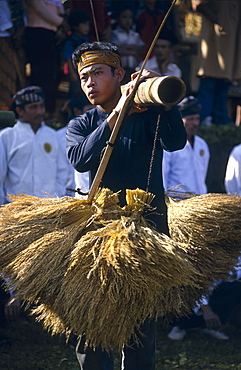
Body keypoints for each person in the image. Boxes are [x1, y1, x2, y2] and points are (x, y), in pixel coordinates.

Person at [66, 41, 187, 370]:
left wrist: (164, 99)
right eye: (83, 77)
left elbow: (176, 142)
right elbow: (79, 159)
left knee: (140, 329)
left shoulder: (149, 114)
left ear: (119, 75)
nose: (90, 83)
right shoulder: (81, 124)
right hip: (100, 235)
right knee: (92, 324)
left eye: (98, 74)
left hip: (146, 235)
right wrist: (116, 114)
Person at [0, 86, 69, 205]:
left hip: (48, 208)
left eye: (41, 106)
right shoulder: (6, 137)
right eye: (33, 107)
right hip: (15, 209)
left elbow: (62, 173)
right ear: (20, 111)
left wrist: (58, 199)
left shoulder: (52, 135)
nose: (40, 111)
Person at [167, 255, 241, 341]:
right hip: (193, 285)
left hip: (218, 286)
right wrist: (207, 310)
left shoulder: (235, 248)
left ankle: (210, 326)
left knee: (235, 287)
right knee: (185, 290)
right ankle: (180, 325)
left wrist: (233, 274)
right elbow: (196, 287)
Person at [192, 0, 241, 125]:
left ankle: (220, 117)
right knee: (209, 78)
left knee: (223, 80)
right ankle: (203, 117)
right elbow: (199, 4)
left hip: (232, 36)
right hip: (215, 37)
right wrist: (217, 19)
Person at [24, 0, 65, 117]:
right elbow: (39, 7)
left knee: (54, 72)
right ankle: (39, 110)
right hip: (38, 33)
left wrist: (61, 19)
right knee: (41, 73)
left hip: (52, 33)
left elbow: (59, 8)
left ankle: (50, 109)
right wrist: (60, 21)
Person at [162, 96, 210, 195]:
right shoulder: (169, 145)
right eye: (191, 119)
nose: (195, 123)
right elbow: (163, 176)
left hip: (200, 201)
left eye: (197, 119)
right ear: (180, 121)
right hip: (178, 202)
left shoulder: (202, 144)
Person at [0, 0, 26, 111]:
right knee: (5, 76)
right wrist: (12, 30)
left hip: (19, 38)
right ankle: (5, 108)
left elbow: (24, 14)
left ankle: (18, 108)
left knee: (19, 75)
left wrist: (20, 31)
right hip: (3, 37)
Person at [111, 3, 145, 81]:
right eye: (124, 17)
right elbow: (115, 49)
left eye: (130, 17)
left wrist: (125, 47)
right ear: (118, 18)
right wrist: (133, 52)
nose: (127, 20)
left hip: (134, 69)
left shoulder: (135, 35)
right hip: (119, 69)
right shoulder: (115, 33)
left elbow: (141, 49)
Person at [63, 9, 90, 100]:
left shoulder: (85, 39)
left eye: (88, 24)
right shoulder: (70, 41)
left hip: (85, 69)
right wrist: (72, 73)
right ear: (75, 26)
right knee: (75, 93)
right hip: (75, 71)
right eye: (84, 24)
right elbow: (68, 57)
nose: (87, 27)